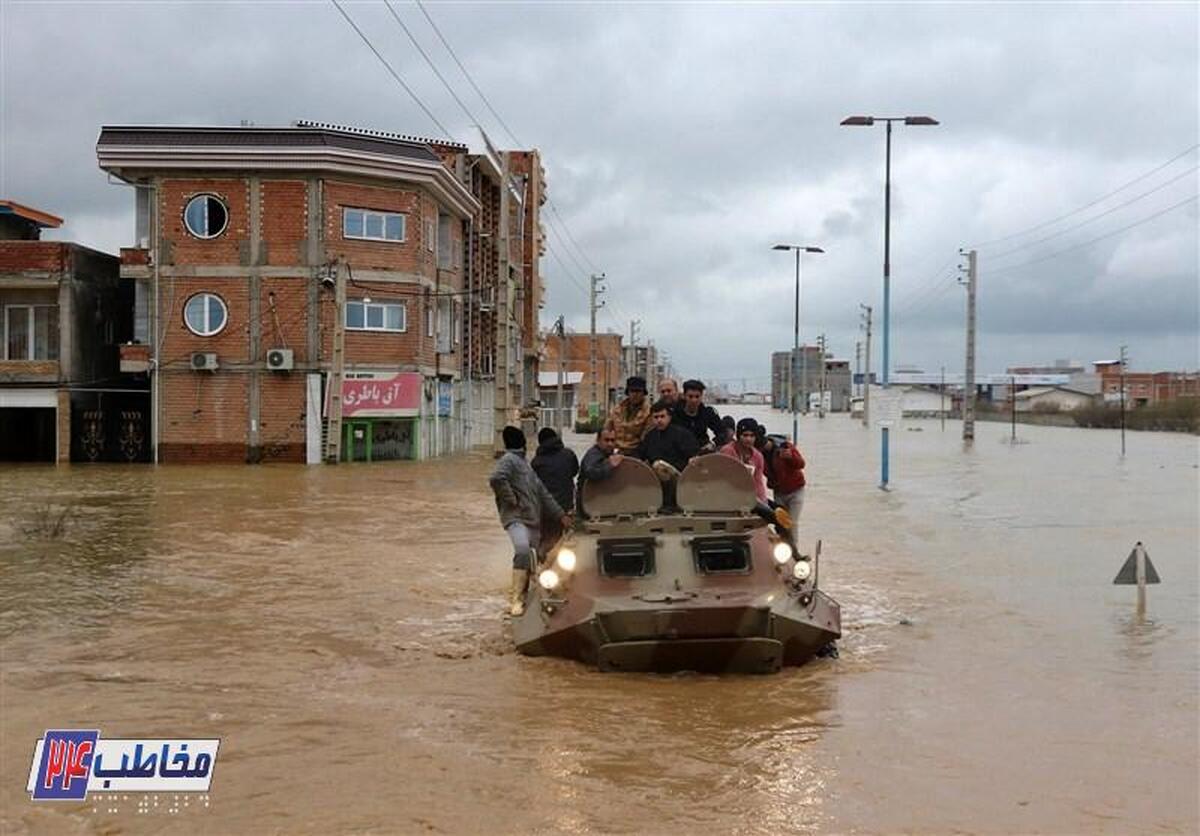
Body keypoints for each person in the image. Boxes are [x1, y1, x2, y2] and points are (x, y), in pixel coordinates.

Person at [489, 426, 572, 617]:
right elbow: (496, 478)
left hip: (532, 520)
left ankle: (526, 598)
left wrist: (561, 516)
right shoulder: (510, 460)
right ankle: (516, 601)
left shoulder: (526, 465)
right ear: (524, 444)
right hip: (516, 518)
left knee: (532, 559)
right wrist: (511, 500)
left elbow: (543, 494)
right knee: (523, 550)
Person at [531, 427, 579, 548]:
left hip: (546, 511)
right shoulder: (569, 454)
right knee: (566, 543)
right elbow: (574, 471)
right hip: (567, 508)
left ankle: (542, 562)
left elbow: (534, 488)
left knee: (546, 543)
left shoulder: (536, 462)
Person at [636, 399, 700, 476]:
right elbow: (639, 455)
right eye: (656, 417)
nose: (659, 420)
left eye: (662, 416)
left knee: (658, 466)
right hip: (656, 479)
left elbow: (695, 455)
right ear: (651, 419)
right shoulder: (649, 437)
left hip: (680, 478)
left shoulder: (682, 434)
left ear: (669, 417)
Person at [719, 417, 769, 502]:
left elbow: (758, 482)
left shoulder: (758, 456)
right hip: (727, 496)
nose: (748, 439)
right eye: (745, 435)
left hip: (749, 498)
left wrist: (763, 501)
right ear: (738, 436)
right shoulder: (727, 451)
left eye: (752, 436)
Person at [577, 426, 624, 514]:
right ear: (598, 440)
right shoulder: (593, 455)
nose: (610, 443)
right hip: (589, 506)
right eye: (606, 440)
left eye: (612, 440)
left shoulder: (609, 454)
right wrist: (610, 465)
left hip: (600, 503)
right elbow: (590, 472)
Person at [673, 379, 728, 451]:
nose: (694, 400)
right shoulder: (675, 413)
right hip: (680, 452)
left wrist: (713, 443)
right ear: (684, 396)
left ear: (701, 396)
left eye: (697, 396)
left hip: (702, 452)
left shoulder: (707, 412)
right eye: (690, 396)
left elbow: (722, 432)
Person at [765, 433, 806, 529]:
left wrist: (791, 457)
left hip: (796, 490)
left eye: (765, 443)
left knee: (792, 523)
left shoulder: (785, 446)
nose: (764, 446)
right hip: (779, 492)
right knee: (780, 522)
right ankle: (782, 542)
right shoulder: (759, 453)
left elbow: (801, 464)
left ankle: (792, 544)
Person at [605, 375, 651, 455]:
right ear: (628, 392)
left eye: (638, 391)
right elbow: (606, 430)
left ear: (643, 393)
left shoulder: (649, 413)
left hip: (636, 452)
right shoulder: (617, 410)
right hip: (614, 450)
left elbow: (646, 439)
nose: (635, 394)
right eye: (632, 391)